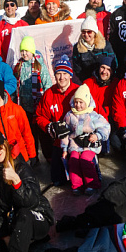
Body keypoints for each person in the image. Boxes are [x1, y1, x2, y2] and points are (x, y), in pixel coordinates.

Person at [36, 57, 79, 185]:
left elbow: (93, 112)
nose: (62, 77)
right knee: (56, 179)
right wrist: (50, 127)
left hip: (77, 139)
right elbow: (39, 116)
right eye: (58, 74)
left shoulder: (78, 90)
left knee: (77, 175)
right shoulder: (49, 93)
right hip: (59, 141)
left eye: (65, 74)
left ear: (70, 75)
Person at [61, 84, 111, 194]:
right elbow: (64, 132)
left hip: (89, 145)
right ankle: (77, 185)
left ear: (87, 102)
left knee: (85, 159)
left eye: (81, 102)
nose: (78, 105)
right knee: (73, 160)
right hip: (75, 144)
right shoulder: (69, 115)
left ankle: (93, 184)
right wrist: (64, 149)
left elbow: (105, 126)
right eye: (76, 102)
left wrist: (97, 135)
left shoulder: (92, 115)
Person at [0, 80, 36, 163]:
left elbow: (26, 133)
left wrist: (32, 155)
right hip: (0, 159)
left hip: (20, 156)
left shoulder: (16, 110)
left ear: (0, 92)